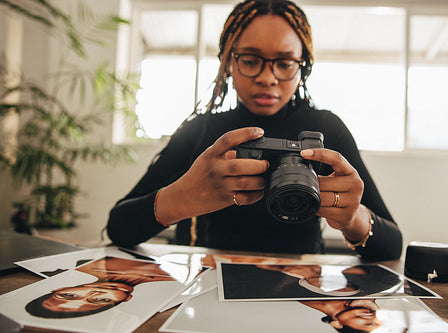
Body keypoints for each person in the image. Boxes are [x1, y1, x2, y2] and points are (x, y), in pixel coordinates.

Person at [107, 0, 402, 260]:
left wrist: (353, 218)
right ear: (228, 63)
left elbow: (392, 246)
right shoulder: (203, 130)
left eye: (285, 63)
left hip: (302, 292)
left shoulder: (326, 130)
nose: (267, 78)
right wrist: (181, 198)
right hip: (205, 285)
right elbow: (118, 228)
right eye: (250, 61)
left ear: (303, 67)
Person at [25, 256, 196, 318]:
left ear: (59, 289)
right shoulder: (181, 283)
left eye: (70, 296)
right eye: (100, 300)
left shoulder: (87, 263)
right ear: (126, 299)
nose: (94, 292)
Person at [300, 299, 381, 332]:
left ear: (338, 324)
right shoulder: (367, 295)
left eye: (369, 324)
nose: (374, 318)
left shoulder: (300, 295)